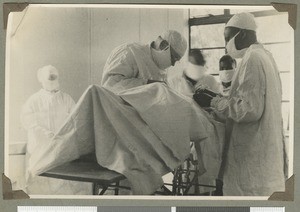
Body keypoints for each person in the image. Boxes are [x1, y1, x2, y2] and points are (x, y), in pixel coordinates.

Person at [210, 12, 285, 196]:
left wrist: (214, 101)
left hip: (252, 166)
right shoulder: (267, 57)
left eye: (227, 38)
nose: (226, 44)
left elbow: (249, 110)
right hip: (265, 162)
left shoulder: (253, 58)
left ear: (242, 34)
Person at [21, 65, 92, 195]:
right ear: (41, 79)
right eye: (49, 78)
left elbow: (76, 120)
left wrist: (64, 136)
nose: (53, 81)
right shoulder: (33, 101)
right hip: (40, 154)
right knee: (42, 189)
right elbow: (29, 123)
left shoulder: (66, 99)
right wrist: (45, 134)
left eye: (54, 78)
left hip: (63, 155)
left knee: (67, 188)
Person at [101, 30, 187, 94]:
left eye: (176, 61)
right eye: (173, 58)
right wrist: (147, 84)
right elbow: (110, 85)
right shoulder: (130, 51)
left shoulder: (161, 71)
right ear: (163, 45)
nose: (172, 64)